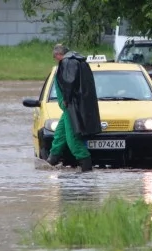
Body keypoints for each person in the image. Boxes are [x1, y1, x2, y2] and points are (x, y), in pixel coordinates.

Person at [47, 44, 102, 172]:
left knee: (72, 140)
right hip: (72, 106)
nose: (57, 61)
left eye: (56, 58)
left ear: (58, 55)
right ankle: (51, 161)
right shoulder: (78, 61)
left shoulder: (67, 62)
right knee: (59, 135)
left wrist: (66, 99)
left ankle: (86, 168)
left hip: (71, 107)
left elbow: (69, 82)